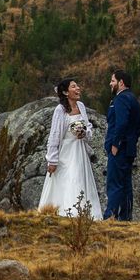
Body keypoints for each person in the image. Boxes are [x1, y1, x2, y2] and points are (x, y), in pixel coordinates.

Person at [38, 78, 102, 219]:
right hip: (66, 153)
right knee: (69, 179)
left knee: (80, 179)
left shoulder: (81, 106)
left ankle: (82, 214)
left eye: (77, 86)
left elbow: (88, 127)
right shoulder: (60, 110)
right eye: (74, 86)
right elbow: (54, 135)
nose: (78, 88)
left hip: (80, 151)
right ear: (66, 92)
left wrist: (84, 133)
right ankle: (67, 213)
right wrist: (52, 160)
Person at [104, 69, 140, 221]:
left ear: (120, 82)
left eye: (112, 81)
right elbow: (139, 126)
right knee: (126, 184)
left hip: (119, 149)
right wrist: (131, 142)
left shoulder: (121, 99)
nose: (110, 84)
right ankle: (125, 217)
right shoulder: (133, 99)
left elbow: (121, 123)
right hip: (129, 149)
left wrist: (116, 144)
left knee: (114, 183)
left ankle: (110, 216)